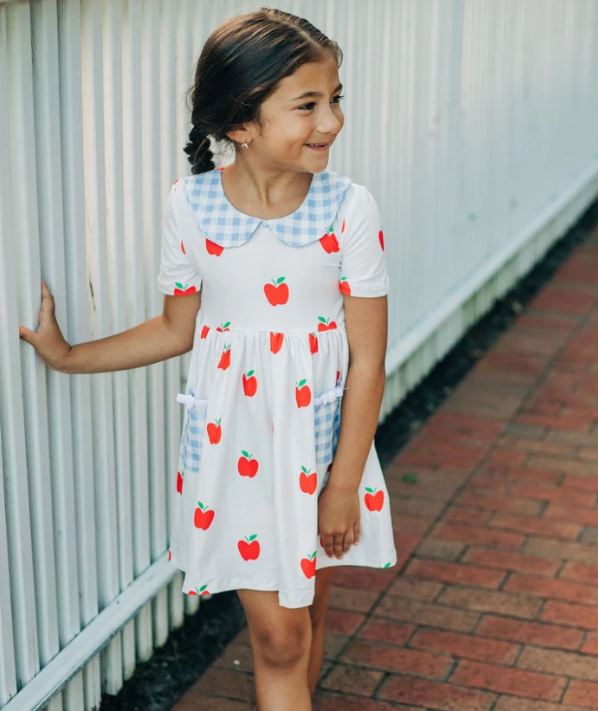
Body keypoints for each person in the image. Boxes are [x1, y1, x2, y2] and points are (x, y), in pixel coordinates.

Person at [18, 7, 397, 709]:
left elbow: (368, 359)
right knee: (279, 637)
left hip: (320, 449)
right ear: (239, 122)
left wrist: (343, 481)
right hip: (235, 452)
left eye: (335, 97)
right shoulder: (190, 206)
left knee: (306, 603)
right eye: (308, 104)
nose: (332, 120)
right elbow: (175, 327)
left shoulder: (349, 208)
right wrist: (68, 356)